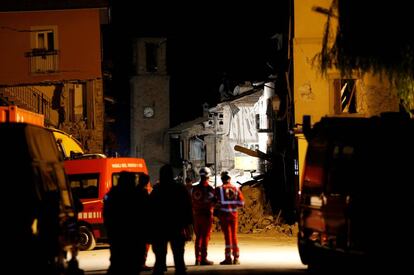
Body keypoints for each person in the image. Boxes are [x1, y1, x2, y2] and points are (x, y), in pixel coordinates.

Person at [149, 164, 193, 275]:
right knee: (178, 255)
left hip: (160, 227)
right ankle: (180, 269)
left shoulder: (156, 190)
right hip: (176, 226)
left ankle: (160, 268)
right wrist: (188, 226)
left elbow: (150, 209)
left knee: (159, 256)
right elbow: (187, 207)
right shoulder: (179, 189)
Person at [103, 171, 148, 275]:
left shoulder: (112, 195)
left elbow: (107, 215)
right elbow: (144, 214)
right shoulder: (137, 195)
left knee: (117, 263)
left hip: (117, 237)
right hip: (134, 237)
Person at [215, 171, 245, 265]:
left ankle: (228, 258)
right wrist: (233, 205)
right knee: (234, 236)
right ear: (229, 179)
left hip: (224, 216)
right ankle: (236, 258)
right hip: (233, 216)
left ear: (222, 179)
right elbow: (241, 203)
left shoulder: (219, 189)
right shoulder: (236, 189)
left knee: (227, 237)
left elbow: (214, 202)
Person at [191, 167, 216, 265]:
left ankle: (197, 258)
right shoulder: (210, 189)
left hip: (196, 216)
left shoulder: (194, 188)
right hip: (206, 216)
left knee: (198, 237)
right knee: (205, 237)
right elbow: (213, 202)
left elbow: (192, 201)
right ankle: (203, 259)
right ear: (208, 176)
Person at [136, 173, 153, 272]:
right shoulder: (143, 192)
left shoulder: (133, 191)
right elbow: (148, 207)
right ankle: (142, 263)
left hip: (136, 222)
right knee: (144, 244)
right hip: (143, 222)